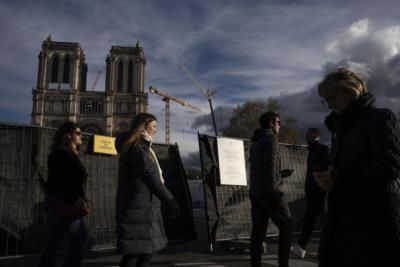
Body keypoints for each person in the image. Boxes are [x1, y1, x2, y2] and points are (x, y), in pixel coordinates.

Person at [316, 67, 400, 266]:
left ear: (351, 91)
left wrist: (337, 177)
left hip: (374, 219)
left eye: (332, 97)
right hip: (345, 216)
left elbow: (390, 166)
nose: (328, 104)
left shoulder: (380, 118)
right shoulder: (340, 127)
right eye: (325, 99)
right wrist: (328, 178)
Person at [114, 112, 180, 267]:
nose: (156, 130)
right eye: (154, 126)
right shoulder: (138, 149)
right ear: (143, 127)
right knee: (137, 253)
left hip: (142, 206)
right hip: (138, 207)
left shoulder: (139, 147)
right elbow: (149, 175)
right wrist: (170, 199)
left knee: (142, 252)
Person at [38, 121, 89, 267]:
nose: (81, 136)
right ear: (67, 136)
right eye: (78, 133)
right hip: (64, 201)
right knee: (81, 238)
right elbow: (62, 179)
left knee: (53, 243)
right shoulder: (62, 153)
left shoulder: (65, 153)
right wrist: (74, 197)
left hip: (57, 200)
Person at [249, 111, 293, 267]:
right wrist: (275, 191)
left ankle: (255, 264)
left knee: (258, 232)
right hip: (269, 192)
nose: (280, 125)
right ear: (272, 123)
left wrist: (281, 174)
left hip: (256, 192)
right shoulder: (271, 139)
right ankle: (283, 264)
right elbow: (269, 167)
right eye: (278, 122)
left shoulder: (256, 142)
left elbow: (260, 169)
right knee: (287, 226)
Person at [291, 128, 328, 258]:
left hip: (318, 189)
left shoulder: (320, 149)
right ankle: (304, 246)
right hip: (316, 188)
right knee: (316, 219)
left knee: (311, 219)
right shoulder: (314, 150)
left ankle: (302, 246)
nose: (306, 138)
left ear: (315, 135)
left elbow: (323, 167)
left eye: (308, 135)